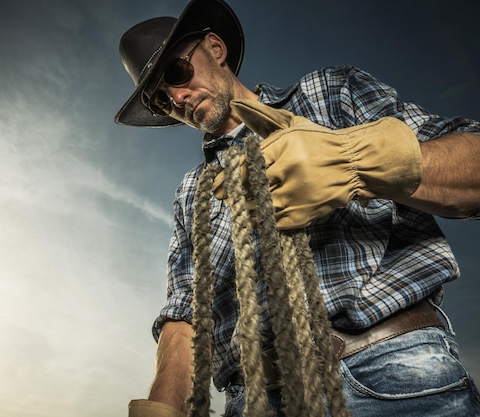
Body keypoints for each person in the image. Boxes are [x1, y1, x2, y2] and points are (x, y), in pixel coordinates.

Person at [114, 0, 480, 416]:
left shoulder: (329, 93)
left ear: (215, 48)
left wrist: (354, 161)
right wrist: (165, 403)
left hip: (391, 374)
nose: (177, 97)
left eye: (176, 73)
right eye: (161, 100)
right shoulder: (192, 192)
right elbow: (185, 312)